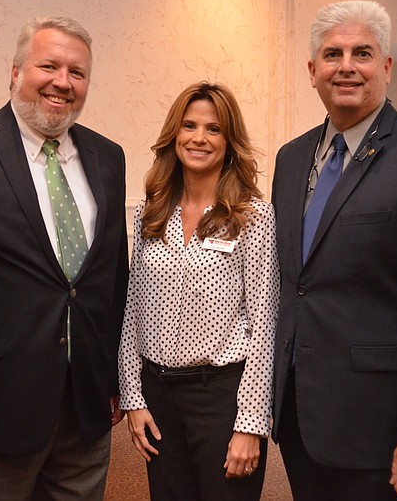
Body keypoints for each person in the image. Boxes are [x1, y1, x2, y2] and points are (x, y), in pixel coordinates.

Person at [270, 0, 397, 500]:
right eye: (332, 54)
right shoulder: (291, 158)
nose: (346, 66)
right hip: (299, 416)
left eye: (361, 53)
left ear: (386, 66)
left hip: (379, 430)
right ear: (313, 71)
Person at [0, 17, 129, 500]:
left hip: (86, 402)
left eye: (77, 72)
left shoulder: (107, 156)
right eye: (48, 66)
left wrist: (114, 376)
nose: (63, 82)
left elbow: (113, 274)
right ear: (15, 72)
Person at [119, 82, 279, 500]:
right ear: (174, 134)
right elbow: (133, 311)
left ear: (229, 141)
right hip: (158, 396)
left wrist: (250, 425)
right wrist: (133, 397)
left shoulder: (252, 216)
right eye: (189, 125)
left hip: (222, 398)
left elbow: (265, 325)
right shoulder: (151, 212)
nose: (199, 138)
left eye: (214, 129)